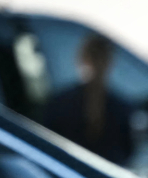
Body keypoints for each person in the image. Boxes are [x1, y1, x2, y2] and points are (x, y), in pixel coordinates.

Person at [41, 33, 136, 166]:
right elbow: (127, 152)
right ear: (110, 62)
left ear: (82, 59)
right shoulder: (122, 107)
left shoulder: (60, 103)